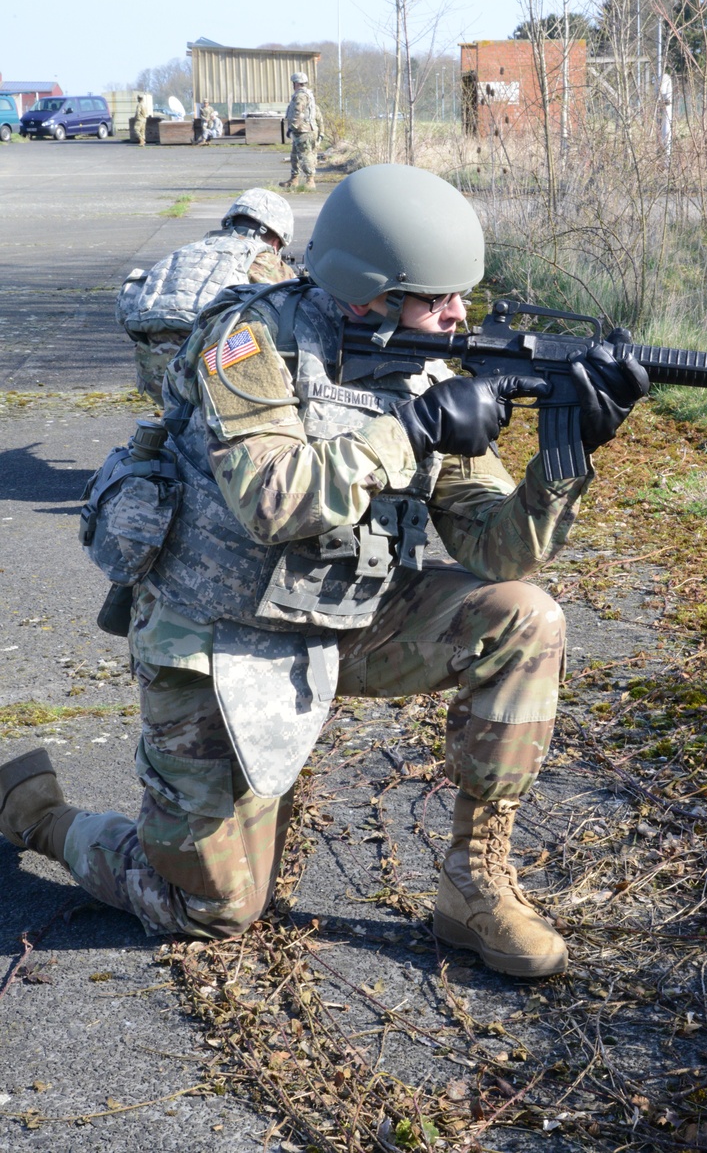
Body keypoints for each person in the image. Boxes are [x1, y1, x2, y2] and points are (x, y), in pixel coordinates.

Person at [0, 166, 648, 978]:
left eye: (461, 297)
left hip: (349, 621)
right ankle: (40, 813)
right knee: (210, 908)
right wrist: (409, 431)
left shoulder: (429, 365)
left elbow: (499, 548)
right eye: (436, 297)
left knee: (525, 617)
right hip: (216, 635)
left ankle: (472, 885)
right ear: (366, 294)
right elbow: (273, 501)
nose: (459, 316)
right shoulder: (245, 342)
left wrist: (569, 453)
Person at [115, 188, 296, 399]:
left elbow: (126, 308)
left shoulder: (185, 252)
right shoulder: (263, 259)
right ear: (276, 240)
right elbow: (295, 310)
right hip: (214, 373)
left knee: (181, 419)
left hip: (155, 375)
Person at [281, 70, 324, 191]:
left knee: (306, 156)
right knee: (294, 155)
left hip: (304, 131)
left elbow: (298, 112)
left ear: (296, 83)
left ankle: (310, 181)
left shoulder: (301, 95)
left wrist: (292, 127)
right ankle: (294, 179)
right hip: (300, 130)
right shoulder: (307, 94)